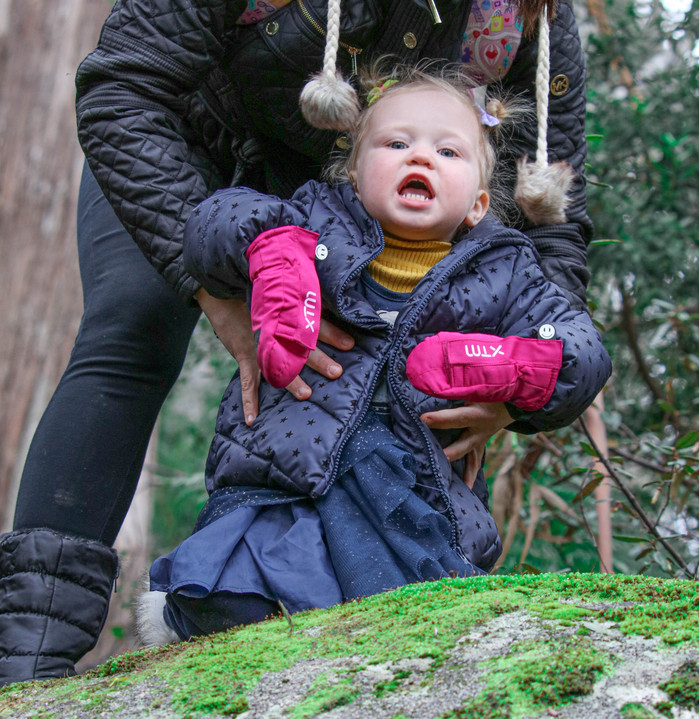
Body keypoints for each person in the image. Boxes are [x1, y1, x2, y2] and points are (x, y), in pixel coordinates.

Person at [0, 0, 593, 689]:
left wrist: (512, 393)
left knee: (367, 392)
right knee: (134, 324)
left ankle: (316, 613)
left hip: (360, 196)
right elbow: (126, 84)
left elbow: (551, 217)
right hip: (183, 136)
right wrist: (211, 290)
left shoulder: (525, 14)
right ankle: (26, 674)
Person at [135, 67, 611, 645]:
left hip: (414, 491)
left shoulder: (506, 271)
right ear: (355, 175)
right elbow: (216, 219)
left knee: (402, 614)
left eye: (448, 150)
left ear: (479, 204)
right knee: (238, 591)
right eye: (396, 143)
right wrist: (273, 254)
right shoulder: (314, 217)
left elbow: (582, 350)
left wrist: (520, 368)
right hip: (284, 470)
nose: (422, 158)